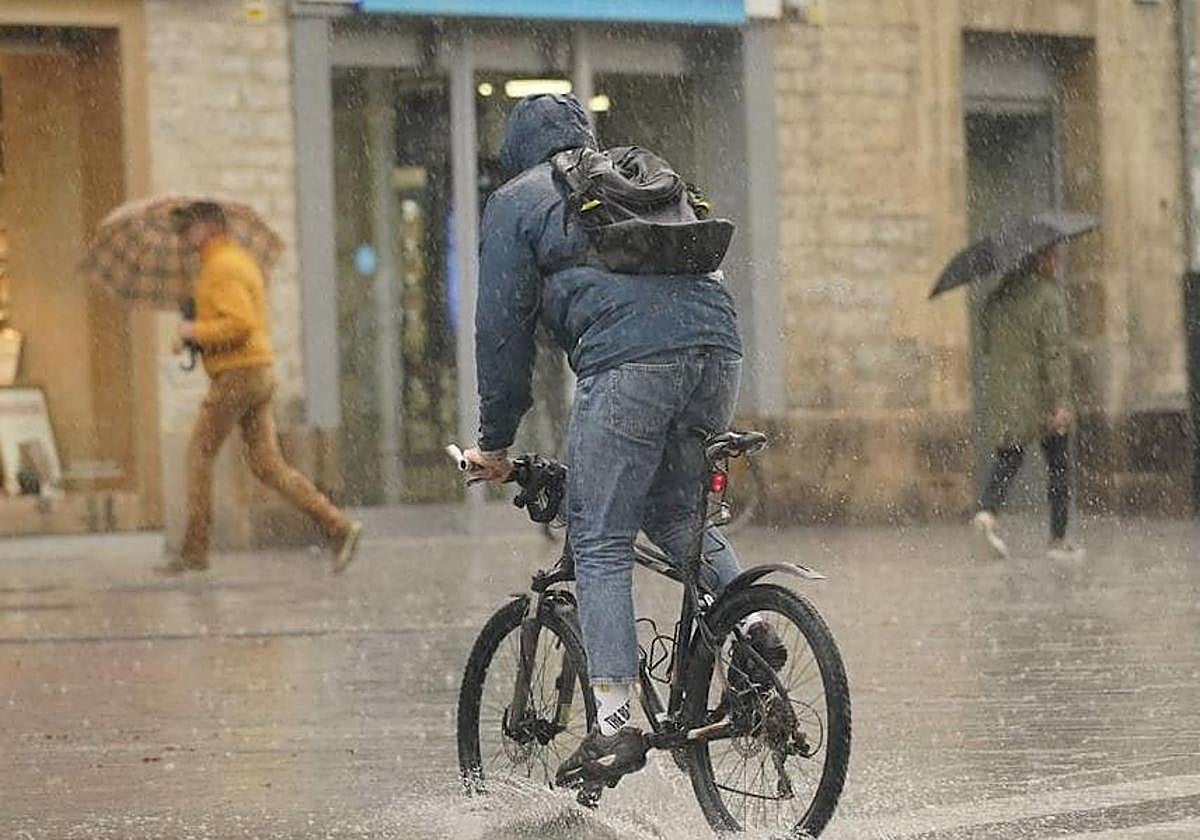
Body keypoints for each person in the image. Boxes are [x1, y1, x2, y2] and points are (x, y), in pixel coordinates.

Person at [459, 94, 785, 788]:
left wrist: (493, 440)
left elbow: (500, 332)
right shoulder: (636, 176)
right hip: (718, 347)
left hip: (632, 364)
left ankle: (611, 726)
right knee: (673, 515)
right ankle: (753, 629)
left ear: (516, 153)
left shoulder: (518, 200)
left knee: (600, 536)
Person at [165, 201, 362, 575]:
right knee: (267, 465)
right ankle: (338, 525)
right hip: (254, 371)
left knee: (199, 454)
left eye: (187, 227)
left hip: (238, 375)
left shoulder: (222, 267)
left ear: (208, 226)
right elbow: (232, 322)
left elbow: (240, 323)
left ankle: (194, 550)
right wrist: (194, 334)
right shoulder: (225, 264)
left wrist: (194, 331)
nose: (182, 236)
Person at [972, 243, 1084, 561]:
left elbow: (987, 344)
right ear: (1039, 260)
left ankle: (987, 512)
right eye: (1053, 257)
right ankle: (1058, 539)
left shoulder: (998, 297)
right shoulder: (1048, 297)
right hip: (1042, 395)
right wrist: (1060, 401)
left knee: (1009, 456)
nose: (1057, 263)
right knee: (1059, 465)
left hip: (1007, 393)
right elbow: (1055, 352)